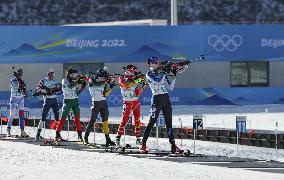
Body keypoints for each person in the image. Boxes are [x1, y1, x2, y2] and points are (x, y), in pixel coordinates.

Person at [140, 56, 183, 153]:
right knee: (151, 122)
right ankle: (143, 144)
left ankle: (173, 145)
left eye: (159, 62)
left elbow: (170, 87)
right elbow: (158, 80)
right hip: (157, 99)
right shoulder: (149, 74)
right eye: (157, 62)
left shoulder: (162, 73)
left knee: (169, 123)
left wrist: (174, 76)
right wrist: (165, 71)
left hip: (165, 98)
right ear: (151, 64)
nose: (159, 64)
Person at [116, 65, 147, 147]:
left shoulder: (135, 79)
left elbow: (137, 93)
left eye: (133, 70)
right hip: (127, 102)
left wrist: (144, 85)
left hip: (136, 102)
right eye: (130, 70)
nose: (132, 72)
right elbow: (125, 85)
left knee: (137, 120)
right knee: (124, 121)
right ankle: (118, 138)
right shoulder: (121, 78)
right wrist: (135, 80)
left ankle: (138, 139)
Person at [84, 68, 116, 146]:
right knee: (92, 121)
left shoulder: (103, 82)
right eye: (103, 76)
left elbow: (105, 94)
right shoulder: (92, 79)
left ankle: (108, 139)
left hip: (103, 103)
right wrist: (105, 81)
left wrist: (111, 87)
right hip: (96, 103)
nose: (104, 78)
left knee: (105, 121)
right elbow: (95, 83)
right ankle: (85, 139)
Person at [55, 67, 85, 142]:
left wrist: (82, 88)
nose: (76, 76)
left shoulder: (75, 80)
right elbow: (70, 85)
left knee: (77, 119)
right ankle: (57, 134)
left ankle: (79, 135)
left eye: (76, 75)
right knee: (63, 118)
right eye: (74, 75)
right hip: (67, 101)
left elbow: (76, 93)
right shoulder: (64, 80)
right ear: (70, 75)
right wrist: (78, 81)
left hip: (75, 101)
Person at [34, 69, 62, 141]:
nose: (52, 75)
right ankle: (38, 134)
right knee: (43, 117)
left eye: (53, 74)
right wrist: (46, 91)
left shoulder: (55, 82)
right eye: (50, 74)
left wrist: (55, 91)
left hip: (55, 100)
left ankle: (57, 135)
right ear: (48, 74)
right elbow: (38, 90)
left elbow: (60, 90)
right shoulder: (43, 81)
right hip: (47, 100)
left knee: (57, 118)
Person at [7, 68, 29, 137]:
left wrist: (24, 91)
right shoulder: (13, 80)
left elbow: (24, 88)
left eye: (21, 74)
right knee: (12, 115)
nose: (20, 76)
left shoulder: (23, 80)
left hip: (21, 99)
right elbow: (15, 86)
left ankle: (22, 131)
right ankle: (8, 130)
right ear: (17, 74)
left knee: (21, 116)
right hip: (14, 99)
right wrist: (20, 86)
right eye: (18, 74)